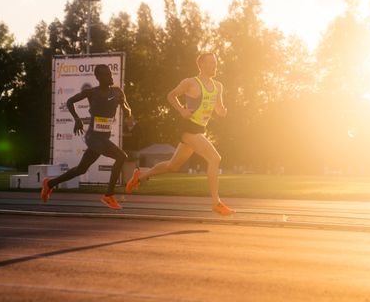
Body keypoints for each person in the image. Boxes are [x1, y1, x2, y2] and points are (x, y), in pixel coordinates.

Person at [125, 52, 235, 216]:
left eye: (215, 62)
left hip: (199, 130)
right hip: (187, 129)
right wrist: (182, 110)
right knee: (215, 158)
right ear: (202, 65)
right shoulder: (190, 83)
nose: (215, 66)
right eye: (211, 63)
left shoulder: (218, 86)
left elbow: (218, 108)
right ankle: (216, 203)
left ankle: (139, 176)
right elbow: (171, 96)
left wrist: (222, 112)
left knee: (172, 166)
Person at [41, 64, 134, 210]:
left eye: (110, 74)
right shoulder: (91, 92)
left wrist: (125, 107)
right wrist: (77, 119)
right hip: (93, 137)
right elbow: (70, 102)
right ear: (98, 78)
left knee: (81, 169)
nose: (110, 77)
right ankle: (108, 195)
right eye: (106, 75)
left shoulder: (117, 92)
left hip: (103, 137)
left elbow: (128, 110)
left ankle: (49, 184)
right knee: (121, 156)